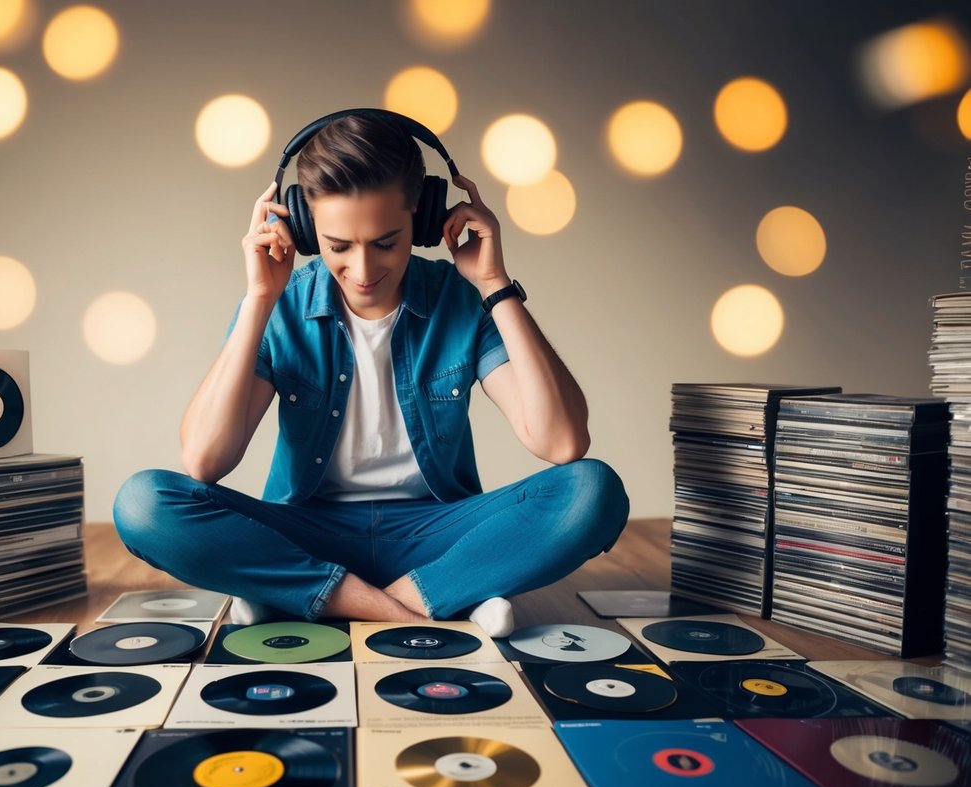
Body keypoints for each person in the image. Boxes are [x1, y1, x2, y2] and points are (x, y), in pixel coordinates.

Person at [113, 109, 629, 636]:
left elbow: (563, 442)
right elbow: (203, 460)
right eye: (338, 246)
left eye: (386, 242)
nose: (363, 271)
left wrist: (494, 283)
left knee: (594, 491)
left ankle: (310, 596)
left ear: (425, 220)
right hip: (308, 528)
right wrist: (259, 298)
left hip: (438, 529)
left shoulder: (459, 298)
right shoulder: (282, 306)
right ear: (305, 229)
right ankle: (443, 595)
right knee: (143, 503)